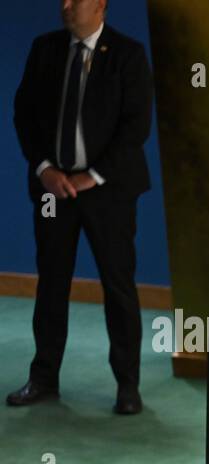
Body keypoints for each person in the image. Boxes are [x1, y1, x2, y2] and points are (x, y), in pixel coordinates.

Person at [8, 0, 154, 414]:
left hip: (108, 192)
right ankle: (43, 378)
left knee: (118, 287)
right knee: (51, 284)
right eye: (64, 0)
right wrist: (44, 169)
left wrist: (92, 176)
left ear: (101, 5)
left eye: (76, 0)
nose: (66, 6)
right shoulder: (45, 49)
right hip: (55, 191)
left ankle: (128, 386)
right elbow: (24, 115)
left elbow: (136, 126)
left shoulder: (128, 54)